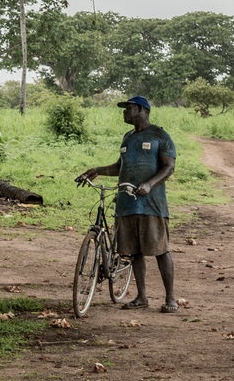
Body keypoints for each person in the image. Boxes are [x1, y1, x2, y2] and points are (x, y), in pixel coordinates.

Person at [79, 95, 179, 312]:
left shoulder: (159, 135)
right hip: (127, 203)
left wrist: (149, 184)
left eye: (128, 108)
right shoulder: (128, 137)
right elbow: (120, 166)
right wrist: (97, 170)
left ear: (141, 110)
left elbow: (169, 167)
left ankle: (170, 298)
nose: (124, 112)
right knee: (134, 252)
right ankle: (142, 297)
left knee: (160, 250)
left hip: (152, 204)